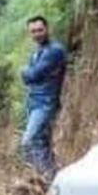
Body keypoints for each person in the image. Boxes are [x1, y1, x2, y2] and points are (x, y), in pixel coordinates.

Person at [20, 16, 66, 178]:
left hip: (45, 103)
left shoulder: (54, 51)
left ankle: (47, 177)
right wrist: (29, 73)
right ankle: (50, 177)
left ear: (47, 29)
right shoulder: (37, 53)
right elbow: (30, 76)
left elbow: (31, 75)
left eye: (40, 30)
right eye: (33, 31)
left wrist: (26, 71)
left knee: (29, 142)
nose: (37, 34)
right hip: (34, 103)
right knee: (41, 143)